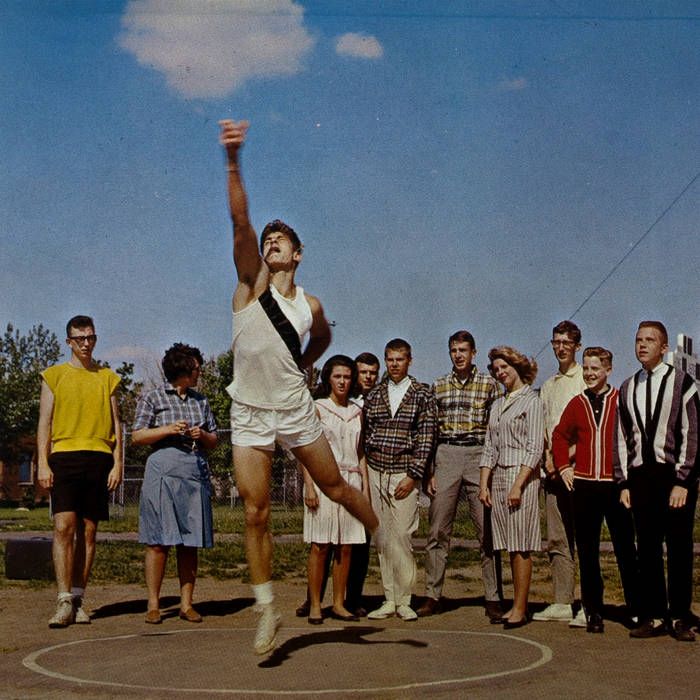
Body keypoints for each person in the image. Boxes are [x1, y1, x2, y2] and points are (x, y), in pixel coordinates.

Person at [218, 119, 378, 654]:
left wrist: (305, 362)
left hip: (293, 407)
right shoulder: (249, 285)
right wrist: (233, 160)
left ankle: (389, 541)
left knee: (337, 488)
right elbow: (240, 220)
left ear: (298, 253)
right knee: (255, 511)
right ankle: (267, 608)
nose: (270, 243)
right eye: (268, 240)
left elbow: (325, 338)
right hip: (249, 411)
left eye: (279, 240)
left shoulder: (309, 305)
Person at [614, 321, 699, 642]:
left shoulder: (682, 382)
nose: (642, 345)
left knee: (678, 547)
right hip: (640, 479)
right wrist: (623, 483)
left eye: (650, 340)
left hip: (673, 477)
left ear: (664, 348)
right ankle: (652, 615)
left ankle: (679, 616)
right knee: (647, 548)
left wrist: (683, 481)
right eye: (638, 339)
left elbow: (693, 434)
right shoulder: (627, 387)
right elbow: (621, 438)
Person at [37, 315, 123, 628]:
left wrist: (118, 463)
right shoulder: (54, 376)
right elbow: (44, 422)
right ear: (69, 341)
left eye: (91, 338)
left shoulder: (108, 378)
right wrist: (43, 462)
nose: (86, 344)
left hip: (99, 457)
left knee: (88, 531)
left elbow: (117, 424)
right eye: (80, 339)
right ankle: (63, 601)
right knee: (63, 527)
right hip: (63, 456)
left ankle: (78, 598)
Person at [552, 347, 639, 633]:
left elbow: (634, 439)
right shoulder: (577, 403)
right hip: (585, 487)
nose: (590, 374)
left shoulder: (622, 400)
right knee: (588, 552)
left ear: (608, 370)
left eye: (595, 369)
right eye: (586, 368)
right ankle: (593, 610)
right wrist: (563, 466)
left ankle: (635, 609)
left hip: (616, 487)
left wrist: (629, 480)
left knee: (625, 549)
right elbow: (559, 435)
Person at [417, 330, 503, 621]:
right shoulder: (438, 385)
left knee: (487, 531)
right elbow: (430, 431)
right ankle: (432, 595)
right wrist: (430, 471)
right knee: (438, 530)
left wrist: (490, 469)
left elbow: (496, 430)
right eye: (454, 350)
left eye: (463, 350)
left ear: (473, 353)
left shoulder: (490, 385)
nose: (459, 355)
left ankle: (493, 596)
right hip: (447, 454)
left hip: (479, 455)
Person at [131, 343, 218, 624]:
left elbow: (214, 440)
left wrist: (202, 435)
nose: (199, 372)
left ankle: (186, 604)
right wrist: (167, 429)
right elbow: (137, 436)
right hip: (162, 472)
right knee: (158, 541)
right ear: (183, 369)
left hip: (193, 472)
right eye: (196, 368)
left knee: (190, 542)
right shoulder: (153, 397)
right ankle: (153, 604)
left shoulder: (200, 401)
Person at [295, 351, 380, 619]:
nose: (342, 381)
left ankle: (339, 603)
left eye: (347, 377)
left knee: (347, 546)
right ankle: (315, 604)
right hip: (323, 481)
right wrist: (309, 486)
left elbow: (360, 452)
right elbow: (305, 450)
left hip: (352, 482)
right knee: (321, 545)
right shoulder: (317, 407)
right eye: (337, 376)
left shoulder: (357, 411)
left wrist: (365, 488)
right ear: (328, 379)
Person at [364, 339, 437, 621]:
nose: (394, 364)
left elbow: (426, 437)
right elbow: (367, 431)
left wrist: (413, 475)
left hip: (404, 473)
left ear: (409, 361)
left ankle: (405, 599)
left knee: (403, 536)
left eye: (400, 359)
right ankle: (389, 599)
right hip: (376, 470)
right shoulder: (375, 394)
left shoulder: (422, 393)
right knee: (383, 538)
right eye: (390, 359)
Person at [479, 346, 544, 629]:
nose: (500, 373)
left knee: (521, 545)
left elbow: (535, 448)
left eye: (504, 367)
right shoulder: (497, 404)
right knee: (508, 544)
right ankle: (515, 605)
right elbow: (489, 447)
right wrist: (484, 483)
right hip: (499, 476)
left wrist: (518, 485)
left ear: (517, 366)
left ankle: (520, 607)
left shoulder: (532, 401)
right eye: (496, 369)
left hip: (523, 477)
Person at [534, 320, 586, 626]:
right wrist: (549, 460)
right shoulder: (549, 385)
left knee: (584, 538)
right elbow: (545, 430)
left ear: (577, 346)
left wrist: (565, 460)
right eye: (556, 342)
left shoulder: (583, 379)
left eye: (567, 342)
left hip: (580, 471)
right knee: (557, 538)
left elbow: (587, 431)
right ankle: (562, 600)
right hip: (552, 472)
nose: (561, 347)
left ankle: (589, 604)